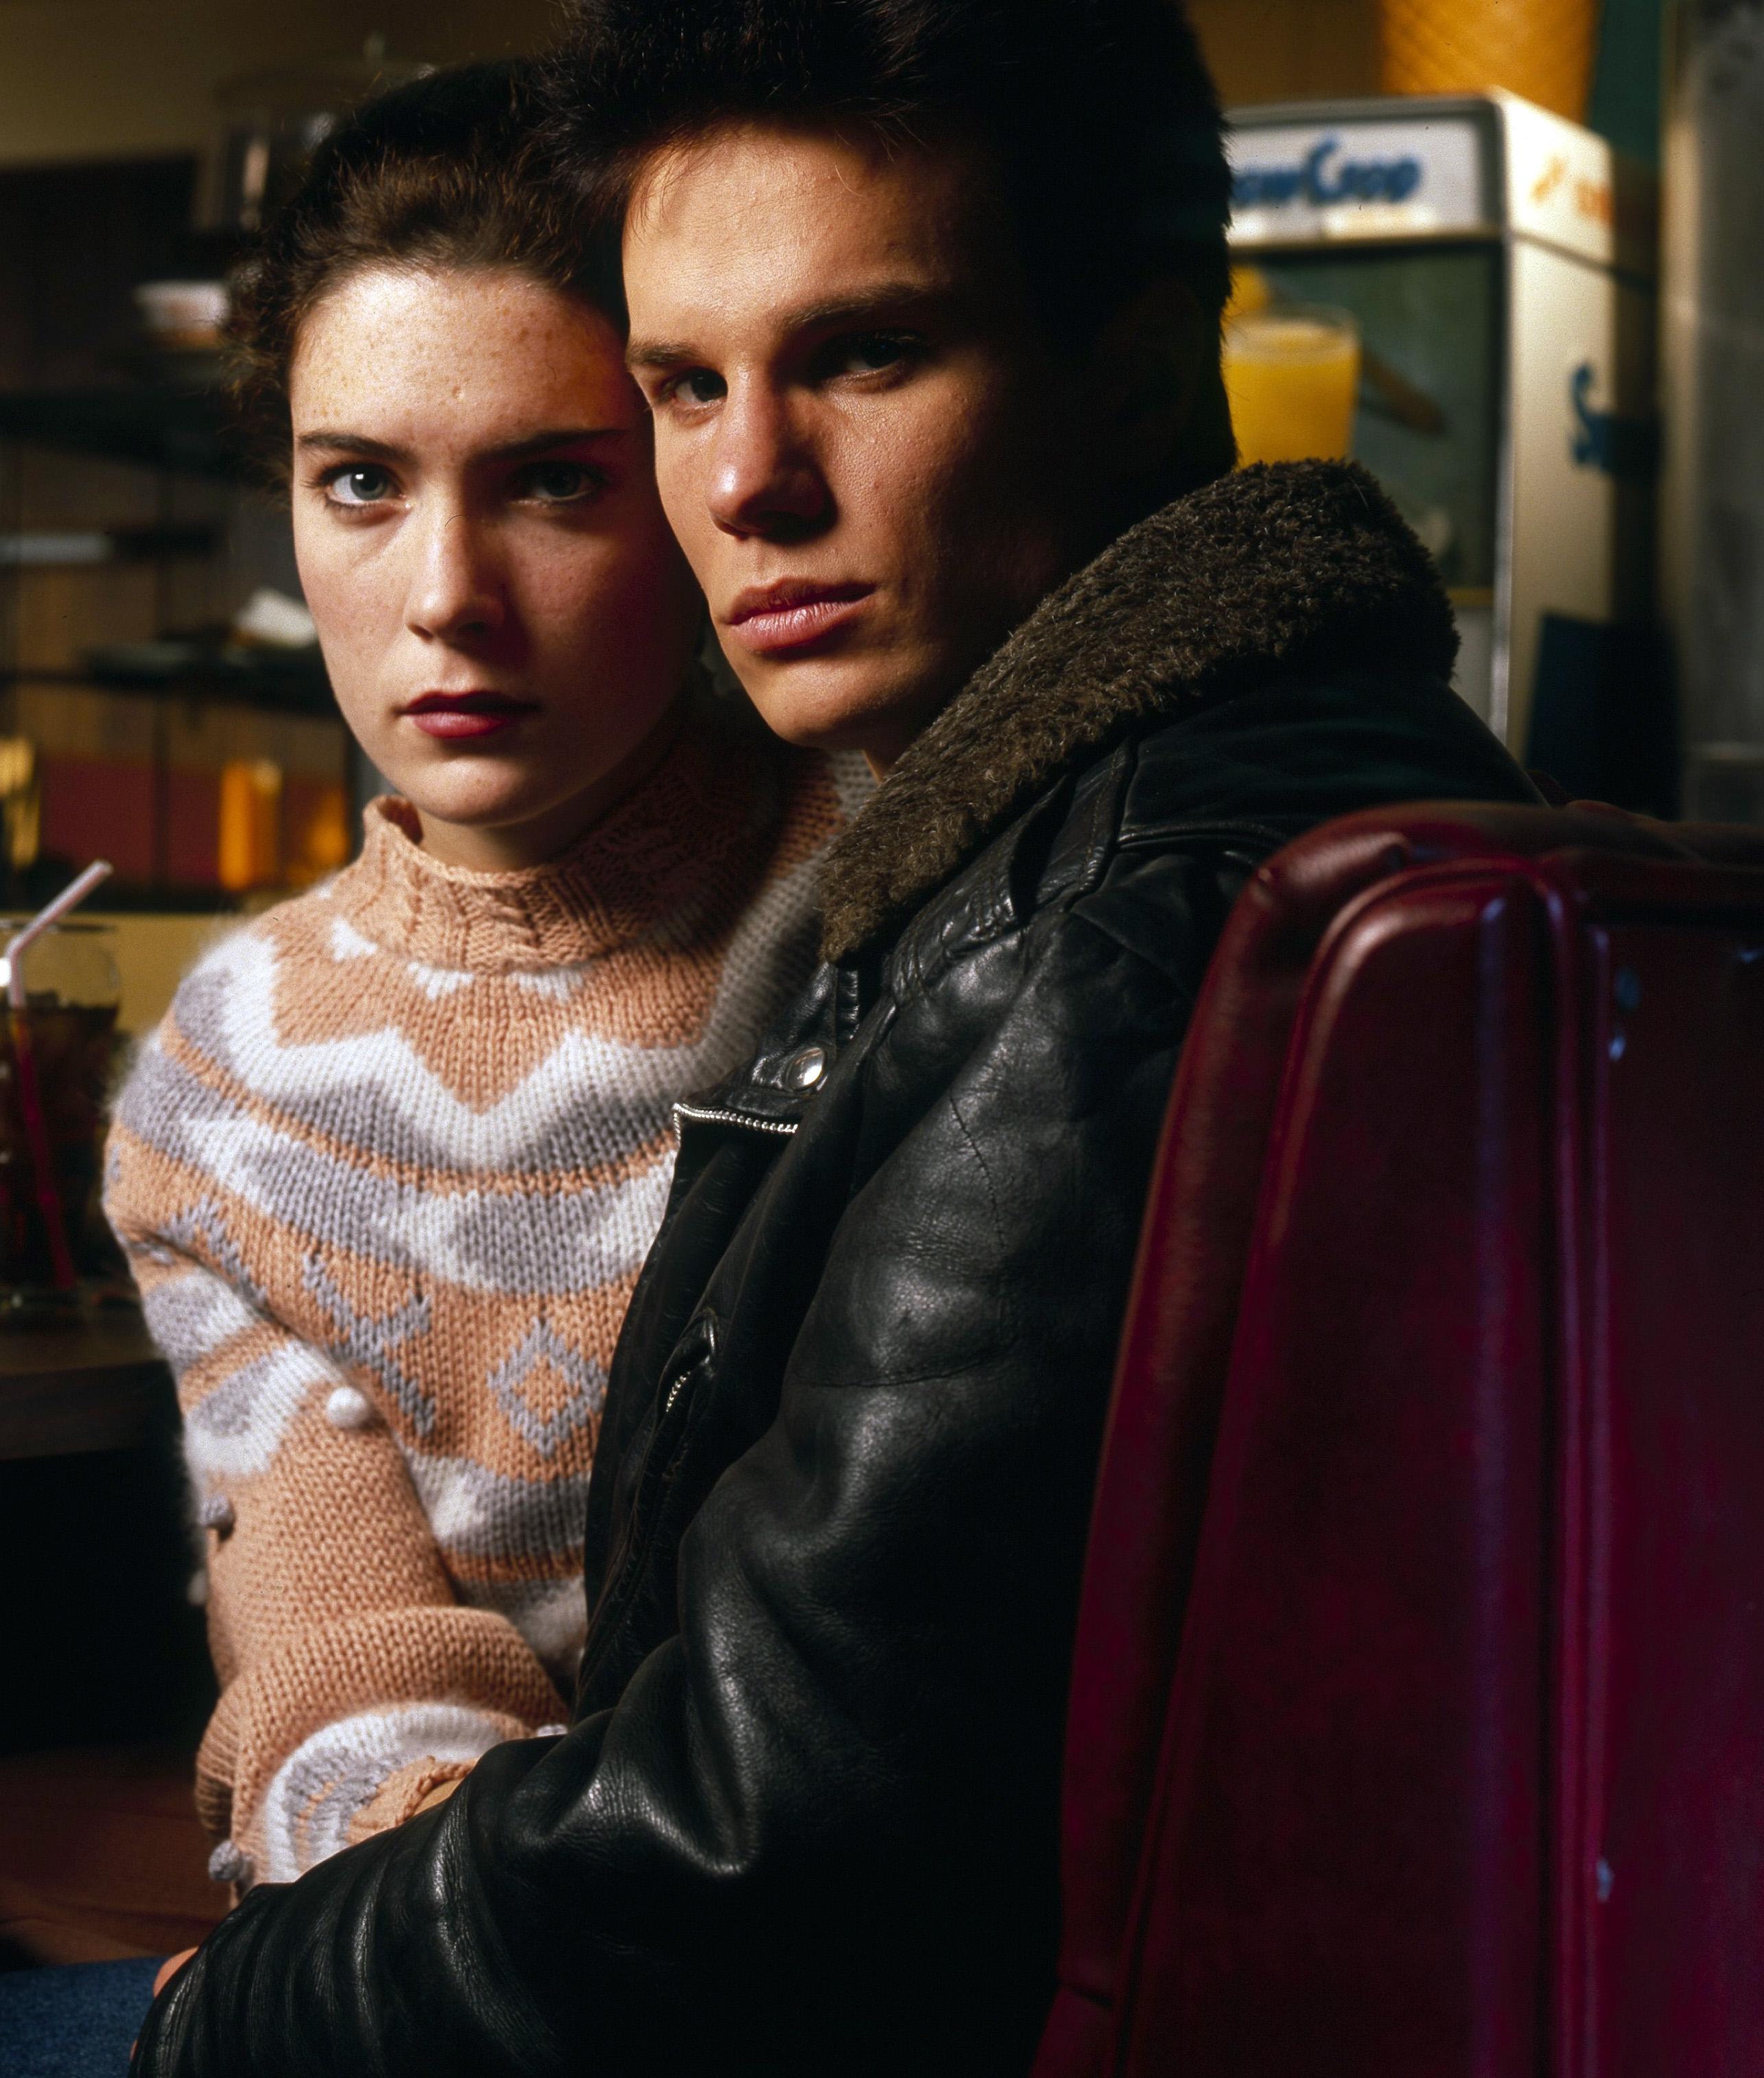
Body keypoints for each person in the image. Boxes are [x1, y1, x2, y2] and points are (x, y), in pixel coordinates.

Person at [117, 1, 1548, 2070]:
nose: (746, 485)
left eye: (867, 355)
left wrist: (226, 2024)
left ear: (1140, 364)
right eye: (686, 385)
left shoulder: (1088, 936)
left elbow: (757, 1868)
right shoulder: (1222, 794)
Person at [103, 62, 856, 1906]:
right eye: (361, 481)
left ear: (687, 487)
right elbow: (340, 1670)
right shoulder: (225, 1082)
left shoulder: (910, 900)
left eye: (552, 482)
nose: (446, 592)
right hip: (475, 1946)